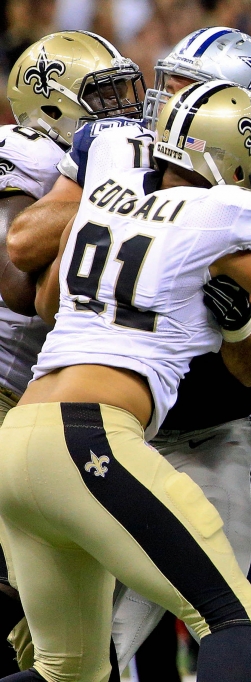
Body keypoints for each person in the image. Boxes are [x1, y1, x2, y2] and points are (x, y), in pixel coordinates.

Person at [4, 28, 251, 680]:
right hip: (102, 439)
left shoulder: (111, 191)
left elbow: (47, 302)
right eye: (171, 83)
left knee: (70, 670)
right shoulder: (222, 206)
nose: (162, 100)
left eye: (187, 91)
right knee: (233, 617)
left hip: (34, 438)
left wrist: (240, 328)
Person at [0, 29, 147, 676]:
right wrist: (108, 194)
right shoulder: (22, 152)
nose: (123, 108)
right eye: (103, 95)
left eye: (123, 90)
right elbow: (14, 277)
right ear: (51, 109)